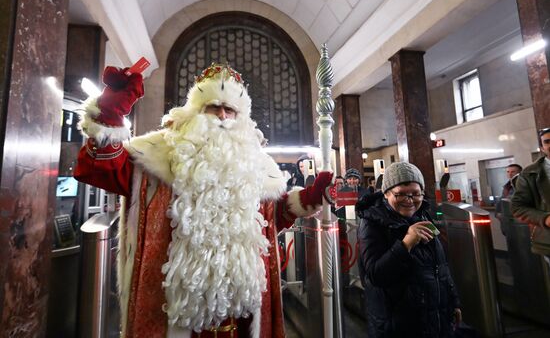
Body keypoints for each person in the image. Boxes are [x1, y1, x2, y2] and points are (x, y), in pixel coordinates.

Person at [74, 63, 332, 338]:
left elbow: (269, 218)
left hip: (240, 313)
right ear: (195, 112)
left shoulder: (254, 166)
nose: (222, 116)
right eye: (213, 107)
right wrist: (111, 111)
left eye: (230, 110)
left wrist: (307, 198)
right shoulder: (158, 157)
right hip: (172, 311)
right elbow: (99, 168)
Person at [357, 162, 461, 338]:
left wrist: (453, 302)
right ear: (386, 193)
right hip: (397, 324)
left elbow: (440, 266)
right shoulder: (372, 223)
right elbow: (376, 275)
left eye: (415, 194)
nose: (410, 200)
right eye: (401, 194)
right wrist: (406, 243)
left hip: (434, 317)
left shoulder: (423, 215)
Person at [511, 127, 550, 266]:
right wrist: (545, 219)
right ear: (542, 147)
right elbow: (517, 207)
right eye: (547, 142)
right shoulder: (530, 174)